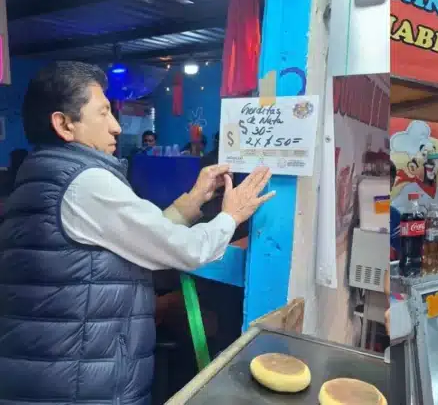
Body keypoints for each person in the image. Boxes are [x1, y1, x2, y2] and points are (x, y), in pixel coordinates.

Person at [0, 61, 276, 404]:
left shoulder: (48, 172)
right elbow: (186, 250)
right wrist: (230, 216)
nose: (116, 127)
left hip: (55, 371)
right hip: (77, 383)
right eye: (103, 113)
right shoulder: (85, 182)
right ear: (64, 124)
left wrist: (191, 201)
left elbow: (135, 236)